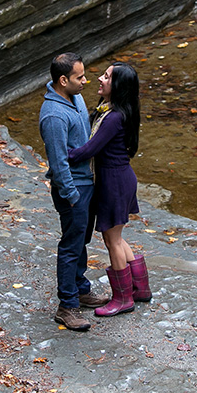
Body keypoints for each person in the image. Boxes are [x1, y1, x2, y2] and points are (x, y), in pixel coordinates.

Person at [67, 62, 151, 317]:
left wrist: (63, 155)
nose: (100, 80)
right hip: (119, 179)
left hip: (114, 182)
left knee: (111, 239)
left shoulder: (114, 118)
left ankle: (122, 298)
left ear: (118, 87)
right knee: (117, 236)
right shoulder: (114, 111)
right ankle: (140, 287)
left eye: (106, 77)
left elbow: (91, 149)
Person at [39, 53, 110, 332]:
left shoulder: (76, 98)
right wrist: (72, 195)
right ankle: (66, 306)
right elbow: (58, 162)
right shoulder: (54, 115)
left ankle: (80, 289)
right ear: (63, 80)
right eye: (80, 77)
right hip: (73, 188)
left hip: (86, 183)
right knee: (71, 245)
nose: (86, 81)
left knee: (81, 241)